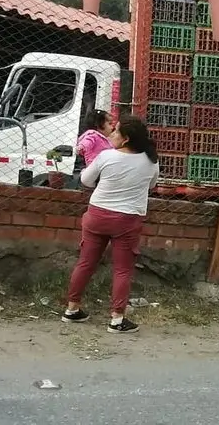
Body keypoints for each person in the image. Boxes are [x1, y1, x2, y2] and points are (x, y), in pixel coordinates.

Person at [62, 116, 160, 333]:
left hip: (97, 214)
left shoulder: (106, 156)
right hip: (127, 220)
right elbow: (152, 185)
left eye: (116, 131)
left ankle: (72, 309)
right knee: (122, 270)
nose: (112, 134)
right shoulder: (151, 161)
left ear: (126, 139)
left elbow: (86, 180)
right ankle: (117, 319)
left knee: (86, 263)